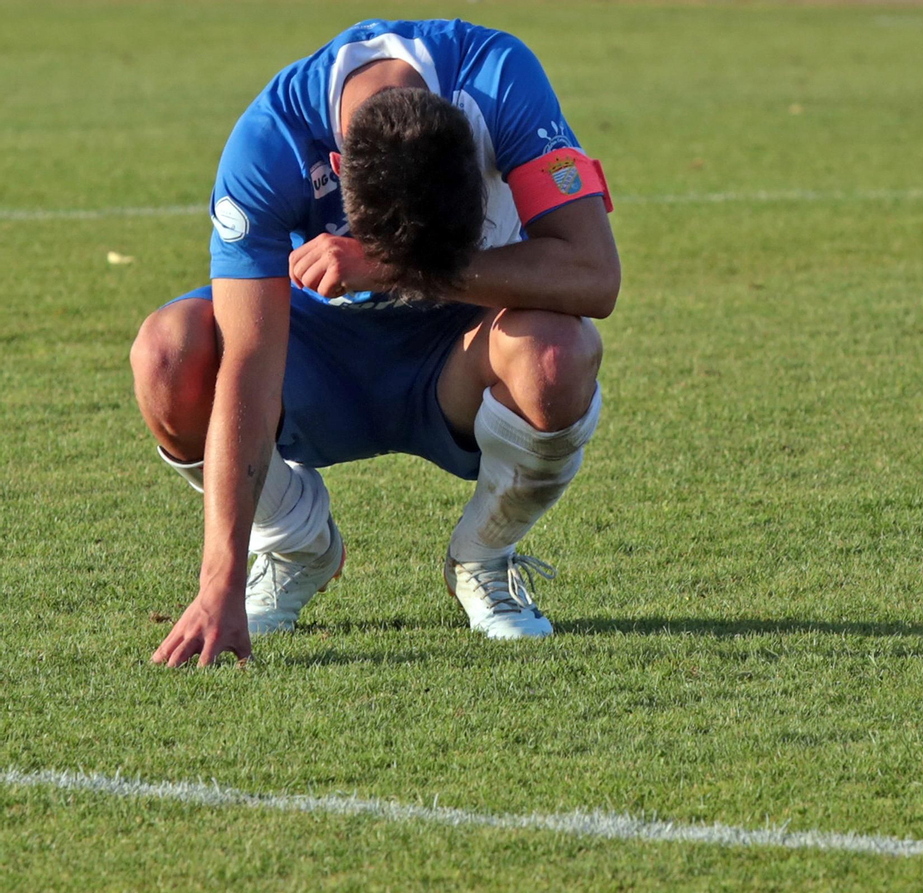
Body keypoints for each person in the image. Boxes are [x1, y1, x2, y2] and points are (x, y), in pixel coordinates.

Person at [131, 19, 620, 667]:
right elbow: (248, 364)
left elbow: (595, 276)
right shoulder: (269, 141)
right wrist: (216, 582)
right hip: (317, 359)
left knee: (559, 353)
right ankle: (292, 542)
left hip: (460, 347)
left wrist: (393, 266)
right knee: (168, 352)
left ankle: (484, 554)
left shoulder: (499, 82)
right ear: (338, 168)